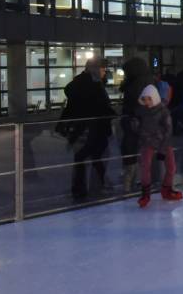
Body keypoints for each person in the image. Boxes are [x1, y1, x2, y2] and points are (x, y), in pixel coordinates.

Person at [61, 58, 114, 201]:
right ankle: (95, 188)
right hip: (91, 128)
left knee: (82, 158)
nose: (105, 72)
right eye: (103, 69)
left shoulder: (79, 83)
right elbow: (101, 107)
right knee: (97, 156)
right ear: (96, 69)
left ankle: (81, 189)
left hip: (81, 128)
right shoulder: (92, 84)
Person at [134, 85, 182, 208]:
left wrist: (162, 149)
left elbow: (168, 130)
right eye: (144, 99)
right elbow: (137, 128)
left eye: (149, 99)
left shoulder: (163, 111)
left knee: (171, 167)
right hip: (147, 142)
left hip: (163, 142)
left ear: (154, 98)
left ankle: (167, 189)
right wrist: (134, 125)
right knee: (145, 167)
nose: (147, 102)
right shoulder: (141, 111)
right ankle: (145, 194)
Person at [119, 56, 152, 192]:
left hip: (134, 122)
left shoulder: (136, 85)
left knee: (131, 150)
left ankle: (131, 183)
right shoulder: (146, 82)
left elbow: (136, 105)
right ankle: (140, 181)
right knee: (139, 152)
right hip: (139, 122)